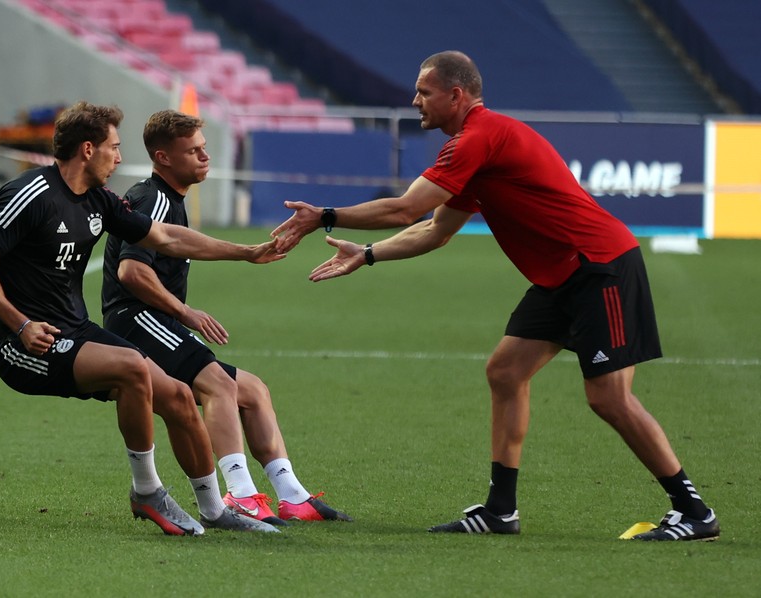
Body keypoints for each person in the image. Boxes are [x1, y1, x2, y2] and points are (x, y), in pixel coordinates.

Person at [271, 51, 718, 542]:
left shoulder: (478, 137)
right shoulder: (476, 146)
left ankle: (694, 511)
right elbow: (435, 230)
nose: (415, 100)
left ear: (455, 95)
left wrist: (325, 215)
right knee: (506, 371)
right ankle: (500, 511)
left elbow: (404, 209)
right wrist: (370, 254)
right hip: (561, 277)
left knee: (609, 398)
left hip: (599, 266)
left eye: (424, 92)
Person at [0, 100, 285, 537]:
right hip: (22, 345)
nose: (120, 156)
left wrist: (245, 253)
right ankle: (147, 491)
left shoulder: (99, 201)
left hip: (74, 331)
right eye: (114, 146)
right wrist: (20, 324)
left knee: (180, 398)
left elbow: (164, 235)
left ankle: (215, 510)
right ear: (88, 149)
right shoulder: (30, 193)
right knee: (133, 368)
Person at [101, 110, 352, 524]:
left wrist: (247, 253)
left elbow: (191, 244)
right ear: (163, 157)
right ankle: (241, 496)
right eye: (193, 151)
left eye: (204, 148)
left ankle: (293, 496)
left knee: (252, 390)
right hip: (136, 318)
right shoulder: (153, 198)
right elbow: (131, 271)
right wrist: (186, 312)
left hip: (158, 320)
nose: (205, 157)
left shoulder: (168, 198)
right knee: (219, 384)